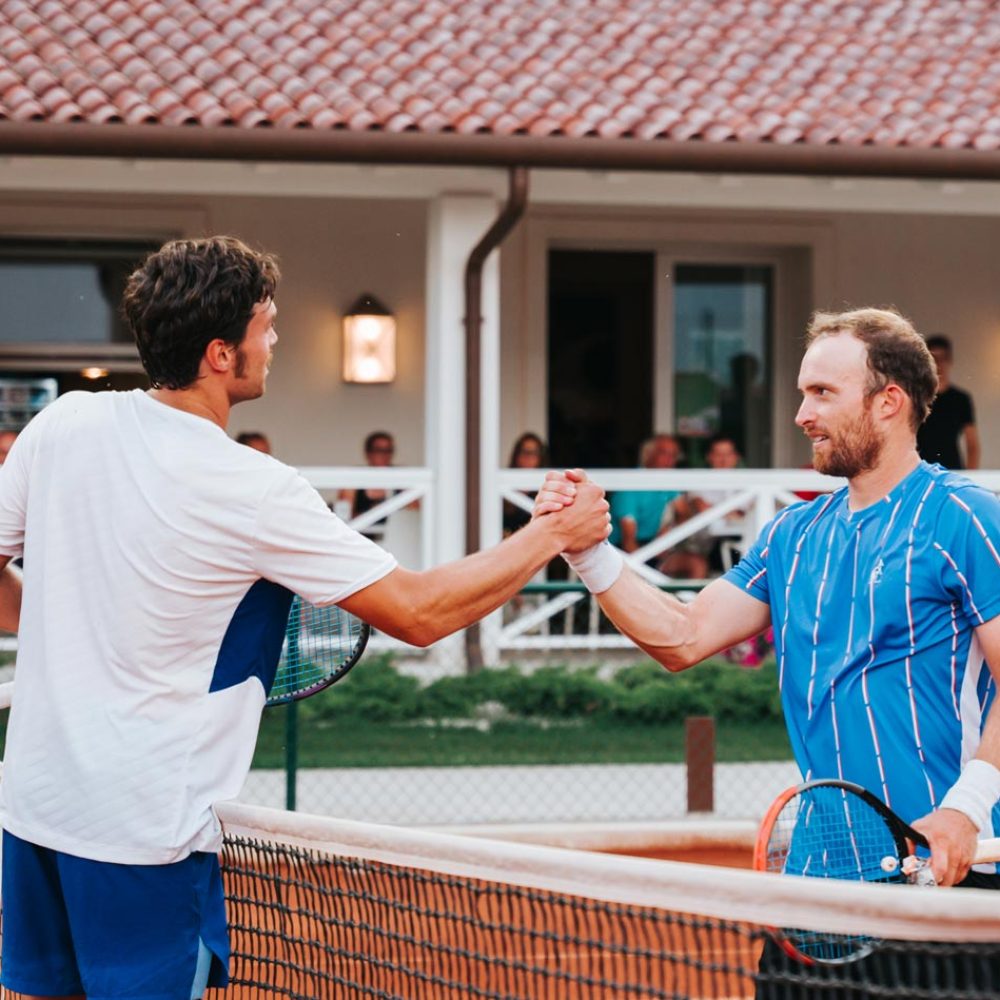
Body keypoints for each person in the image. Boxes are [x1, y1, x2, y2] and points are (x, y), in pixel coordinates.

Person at [0, 236, 611, 1000]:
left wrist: (58, 638)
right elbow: (418, 613)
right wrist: (553, 534)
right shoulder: (257, 488)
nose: (276, 339)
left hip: (32, 811)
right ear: (222, 354)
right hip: (147, 833)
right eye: (267, 324)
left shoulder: (63, 425)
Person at [536, 308, 1000, 992]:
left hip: (950, 879)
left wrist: (967, 808)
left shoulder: (965, 517)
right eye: (801, 393)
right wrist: (588, 553)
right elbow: (684, 637)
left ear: (888, 403)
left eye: (822, 394)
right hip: (819, 890)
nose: (801, 415)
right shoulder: (794, 533)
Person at [609, 434, 681, 556]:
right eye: (664, 453)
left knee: (696, 563)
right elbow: (628, 543)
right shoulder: (630, 487)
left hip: (651, 545)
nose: (670, 460)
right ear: (648, 454)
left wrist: (668, 531)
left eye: (673, 455)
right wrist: (647, 570)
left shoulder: (666, 480)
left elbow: (684, 513)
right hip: (618, 550)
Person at [917, 333, 979, 470]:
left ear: (950, 360)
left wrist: (971, 477)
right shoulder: (917, 397)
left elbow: (972, 444)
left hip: (953, 470)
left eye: (943, 358)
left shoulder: (961, 399)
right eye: (934, 358)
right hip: (921, 471)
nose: (939, 364)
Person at [337, 430, 398, 543]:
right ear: (368, 453)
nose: (385, 455)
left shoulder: (402, 480)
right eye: (379, 450)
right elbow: (344, 516)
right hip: (362, 541)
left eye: (389, 450)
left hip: (396, 542)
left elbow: (413, 515)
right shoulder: (354, 480)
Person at [502, 432, 548, 536]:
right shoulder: (505, 487)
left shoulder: (544, 490)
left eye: (534, 453)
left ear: (540, 457)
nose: (529, 457)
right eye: (524, 452)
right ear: (517, 455)